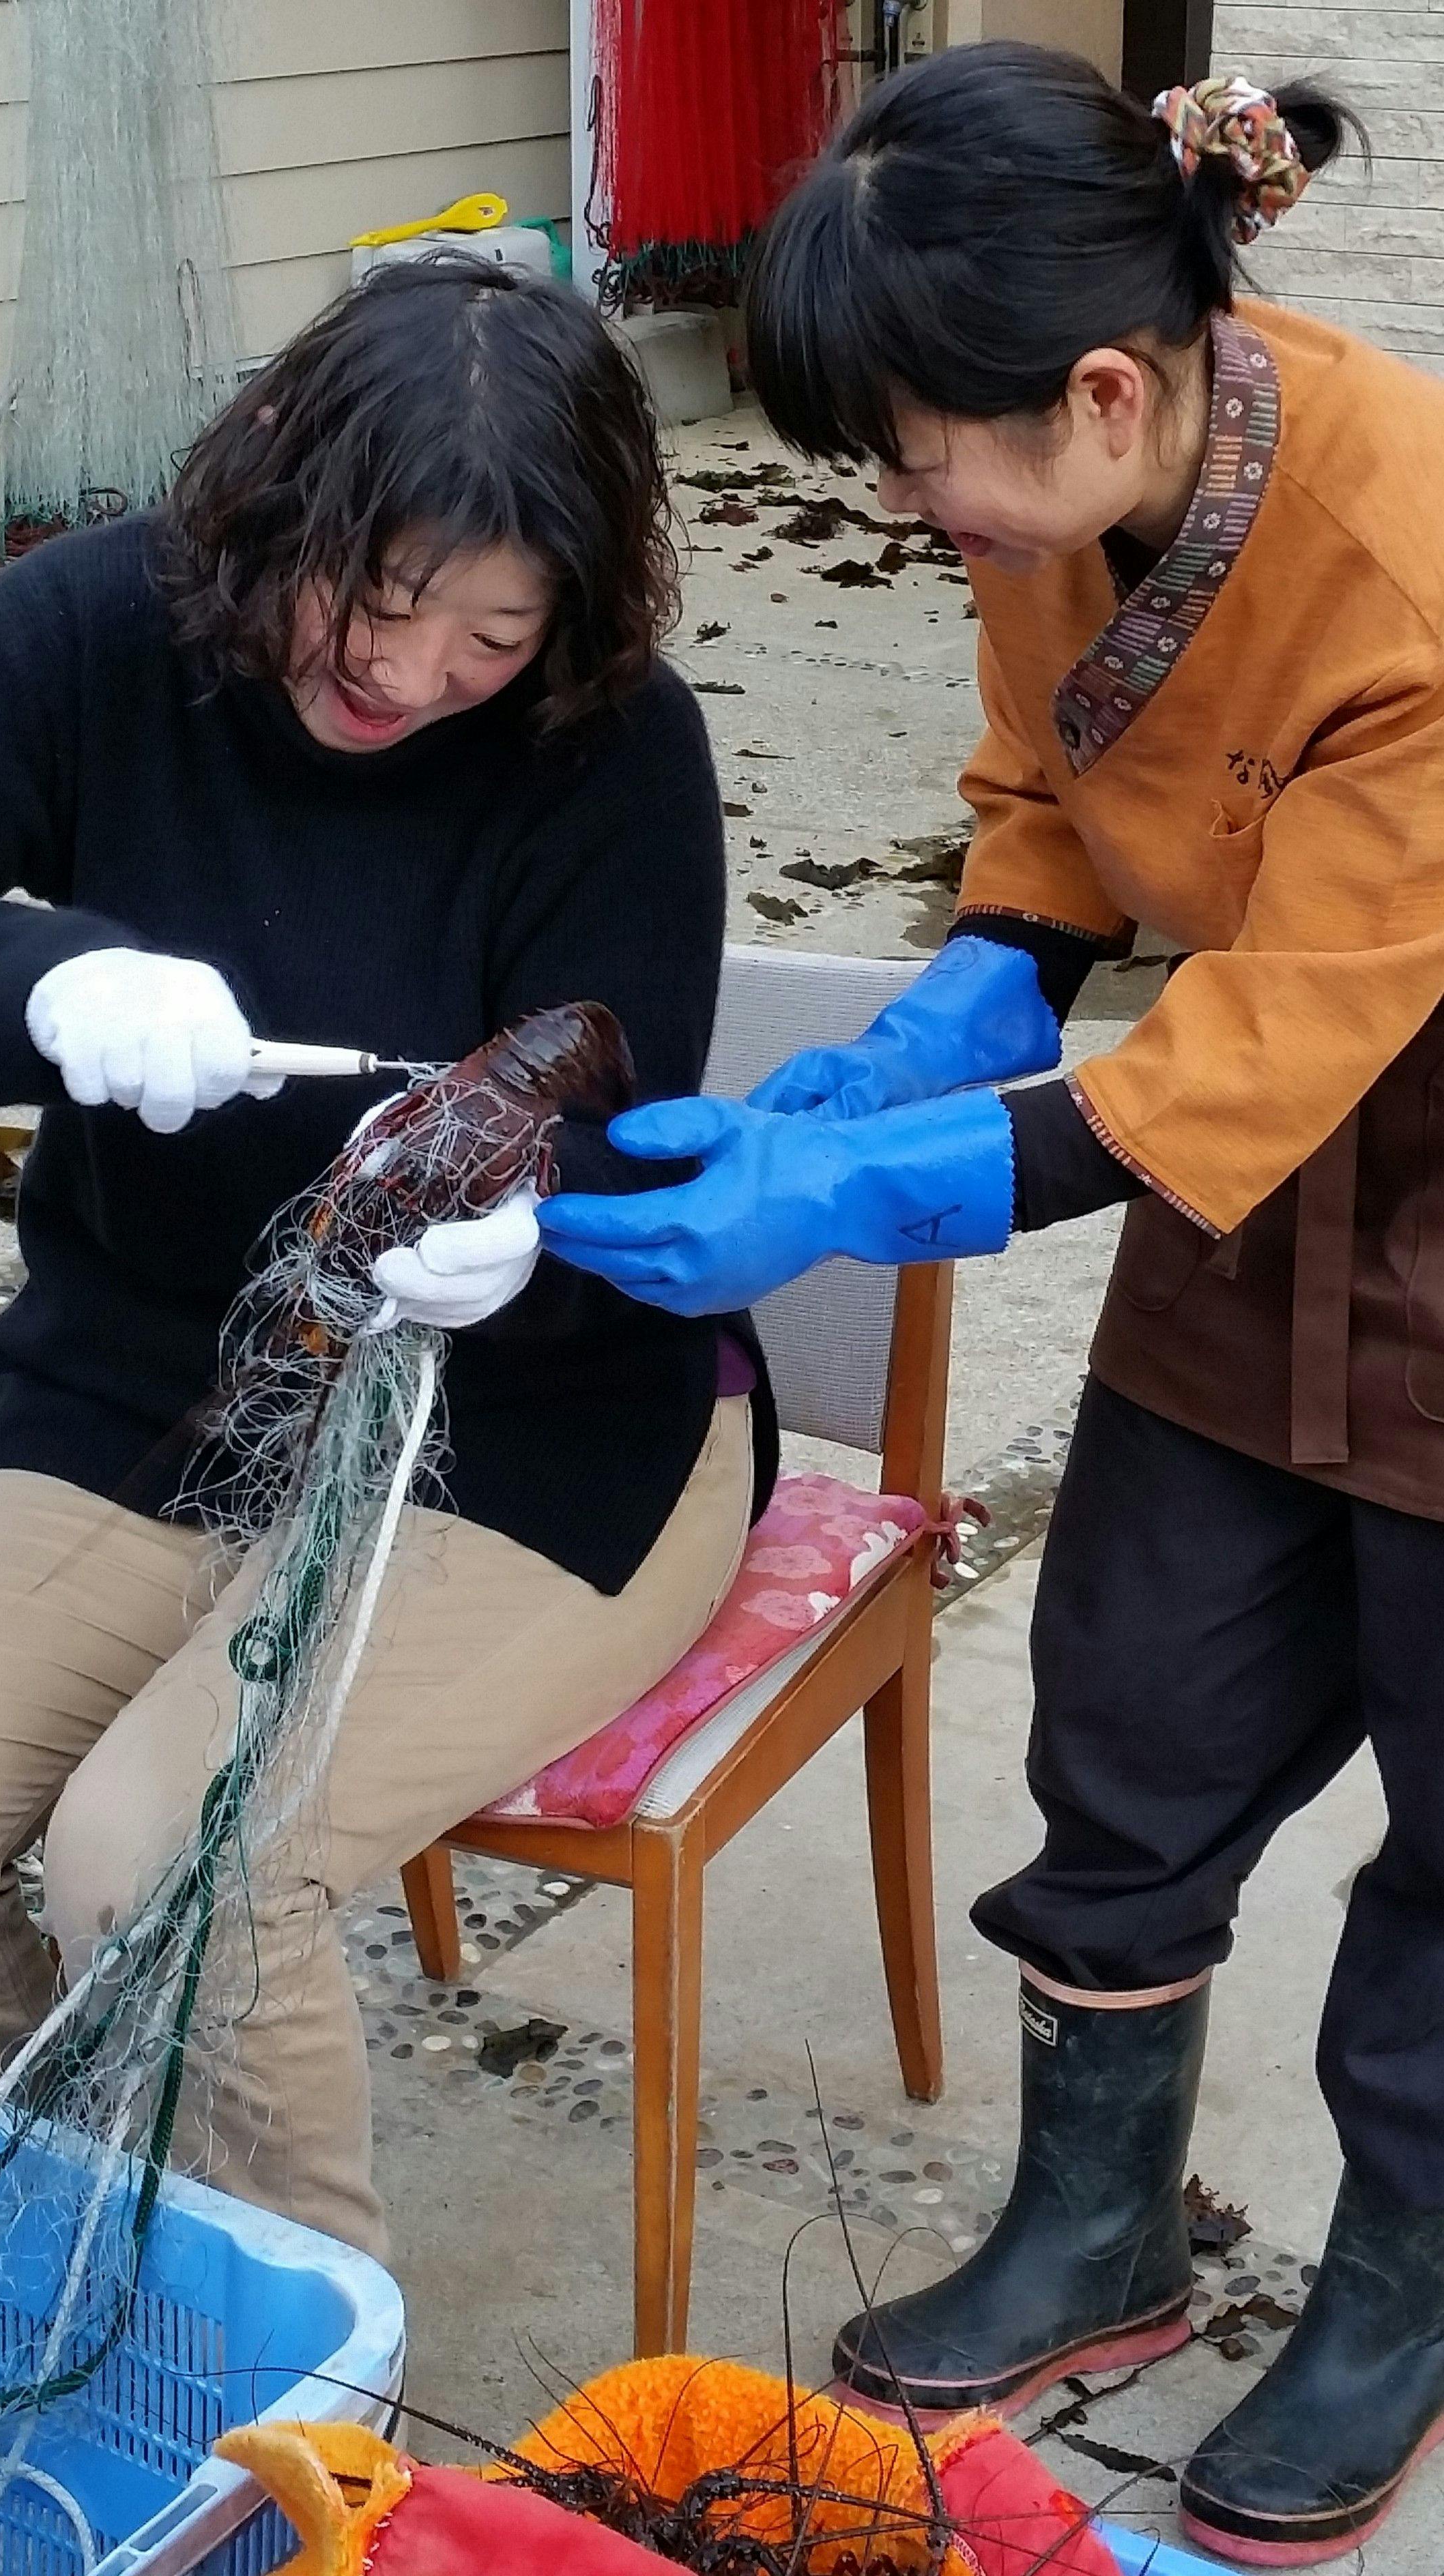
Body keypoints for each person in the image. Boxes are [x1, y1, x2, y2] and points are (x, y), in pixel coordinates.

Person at [538, 47, 1444, 2566]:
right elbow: (1049, 796)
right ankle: (1103, 2224)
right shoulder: (1054, 478)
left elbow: (1255, 1046)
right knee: (1139, 1699)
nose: (913, 505)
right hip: (1246, 1187)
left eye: (926, 454)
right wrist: (937, 1022)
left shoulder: (1417, 569)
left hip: (1395, 1138)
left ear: (1109, 387)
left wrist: (872, 1196)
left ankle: (1405, 2281)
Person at [0, 259, 780, 2265]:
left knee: (171, 1862)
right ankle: (39, 2262)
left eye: (492, 632)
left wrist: (519, 1228)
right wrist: (38, 982)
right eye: (374, 598)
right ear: (267, 501)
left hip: (543, 1427)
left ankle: (305, 2419)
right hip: (156, 1378)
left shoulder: (612, 748)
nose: (412, 669)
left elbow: (625, 1134)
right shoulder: (99, 633)